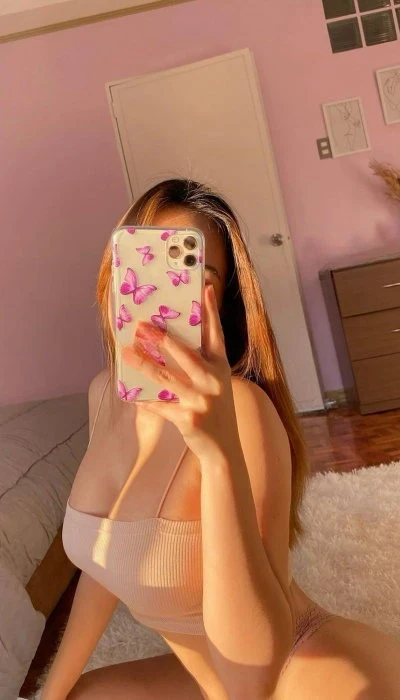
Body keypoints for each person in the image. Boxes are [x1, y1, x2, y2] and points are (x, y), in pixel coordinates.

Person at [41, 179, 400, 700]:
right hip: (206, 678)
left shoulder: (243, 409)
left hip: (294, 670)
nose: (162, 293)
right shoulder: (103, 395)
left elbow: (252, 678)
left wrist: (217, 451)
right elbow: (104, 560)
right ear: (114, 276)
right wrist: (49, 693)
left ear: (219, 306)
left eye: (193, 276)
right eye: (146, 265)